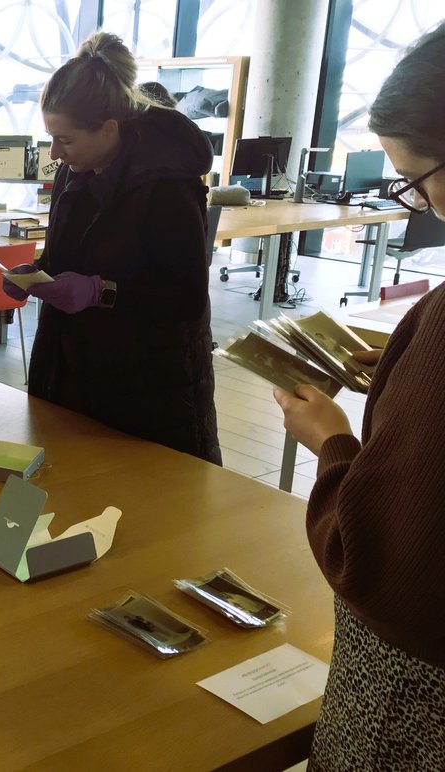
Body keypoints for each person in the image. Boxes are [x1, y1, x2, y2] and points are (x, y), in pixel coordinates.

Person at [273, 23, 445, 770]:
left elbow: (379, 557)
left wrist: (332, 441)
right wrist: (408, 372)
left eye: (420, 180)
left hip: (415, 697)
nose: (423, 207)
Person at [3, 32, 220, 464]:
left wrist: (101, 290)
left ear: (108, 130)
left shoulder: (166, 186)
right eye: (51, 138)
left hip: (146, 384)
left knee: (141, 507)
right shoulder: (74, 171)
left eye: (65, 141)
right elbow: (65, 258)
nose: (55, 153)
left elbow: (185, 297)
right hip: (72, 370)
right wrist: (36, 275)